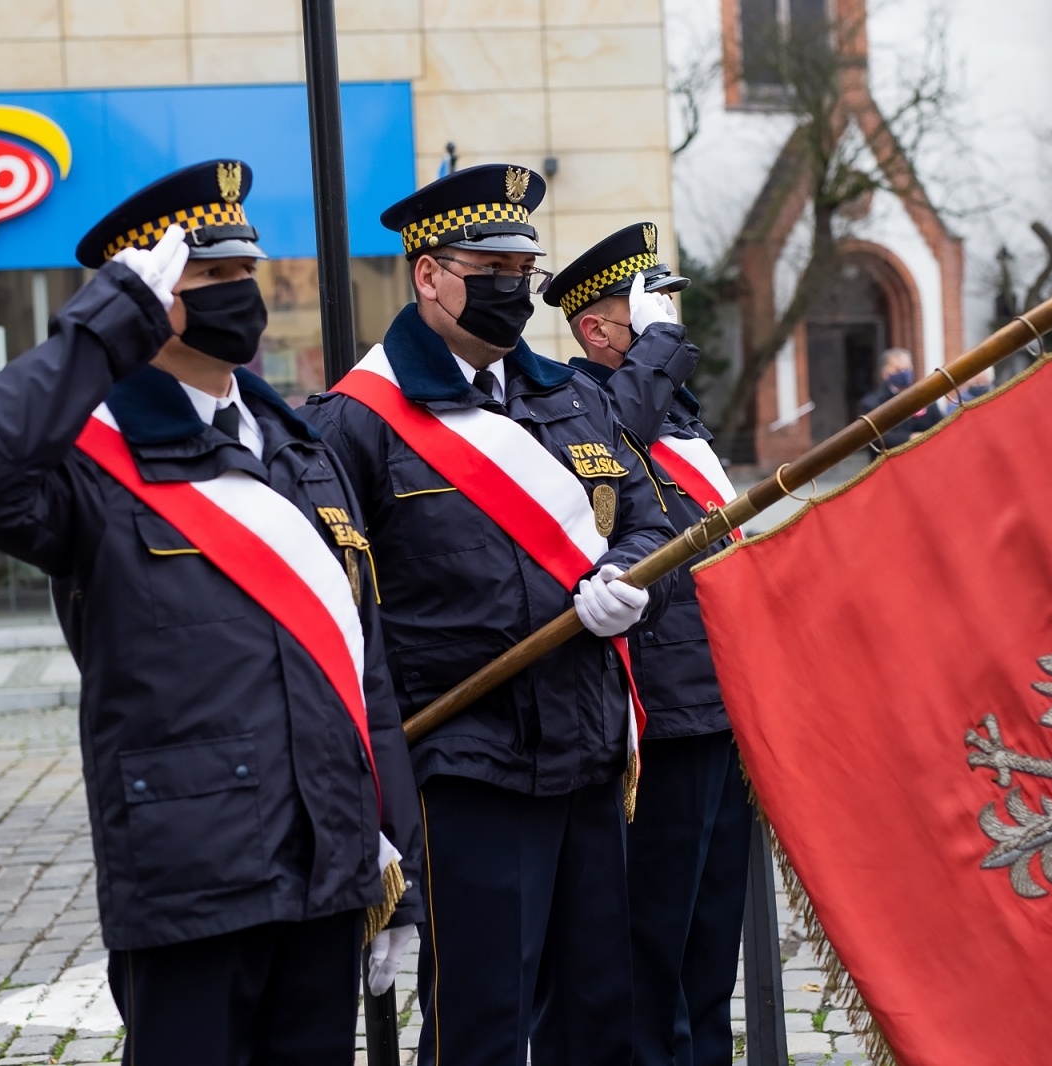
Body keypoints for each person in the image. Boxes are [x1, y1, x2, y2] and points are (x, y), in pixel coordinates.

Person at [0, 160, 422, 1066]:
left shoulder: (300, 450)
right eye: (209, 278)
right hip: (193, 875)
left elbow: (363, 669)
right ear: (151, 302)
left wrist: (401, 869)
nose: (241, 294)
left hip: (327, 866)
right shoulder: (90, 463)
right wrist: (101, 330)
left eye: (244, 272)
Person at [301, 164, 677, 1066]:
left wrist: (627, 577)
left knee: (600, 1011)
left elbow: (649, 514)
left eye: (523, 268)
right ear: (429, 273)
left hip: (588, 747)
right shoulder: (359, 421)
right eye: (491, 266)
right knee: (483, 1017)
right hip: (466, 764)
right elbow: (338, 606)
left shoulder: (568, 393)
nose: (514, 285)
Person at [545, 222, 752, 1066]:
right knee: (649, 958)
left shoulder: (677, 423)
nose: (675, 333)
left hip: (721, 710)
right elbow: (607, 442)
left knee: (709, 954)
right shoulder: (574, 405)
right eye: (653, 315)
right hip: (656, 726)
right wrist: (655, 356)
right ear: (601, 330)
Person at [857, 346, 942, 450]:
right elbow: (875, 437)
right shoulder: (872, 403)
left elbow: (941, 424)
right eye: (897, 369)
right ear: (885, 373)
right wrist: (908, 438)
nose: (903, 372)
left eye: (906, 368)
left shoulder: (924, 396)